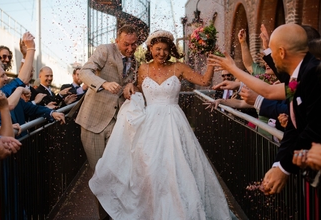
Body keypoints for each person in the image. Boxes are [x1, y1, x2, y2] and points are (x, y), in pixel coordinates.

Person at [89, 30, 232, 219]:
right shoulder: (143, 69)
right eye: (158, 49)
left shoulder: (178, 67)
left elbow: (204, 81)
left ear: (170, 49)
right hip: (150, 124)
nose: (162, 53)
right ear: (150, 48)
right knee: (149, 167)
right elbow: (140, 90)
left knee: (177, 166)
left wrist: (211, 62)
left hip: (174, 121)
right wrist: (131, 87)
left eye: (165, 49)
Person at [209, 23, 321, 195]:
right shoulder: (300, 75)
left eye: (273, 52)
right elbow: (293, 127)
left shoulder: (313, 75)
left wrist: (233, 69)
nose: (269, 59)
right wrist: (279, 166)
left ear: (282, 52)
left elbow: (312, 128)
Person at [76, 24, 139, 220]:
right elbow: (84, 72)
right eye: (126, 44)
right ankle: (105, 217)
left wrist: (131, 85)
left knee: (119, 170)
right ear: (117, 40)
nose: (130, 49)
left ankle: (119, 213)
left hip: (117, 123)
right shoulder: (104, 50)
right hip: (93, 122)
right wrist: (102, 83)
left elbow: (132, 82)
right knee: (100, 175)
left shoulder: (135, 61)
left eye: (134, 44)